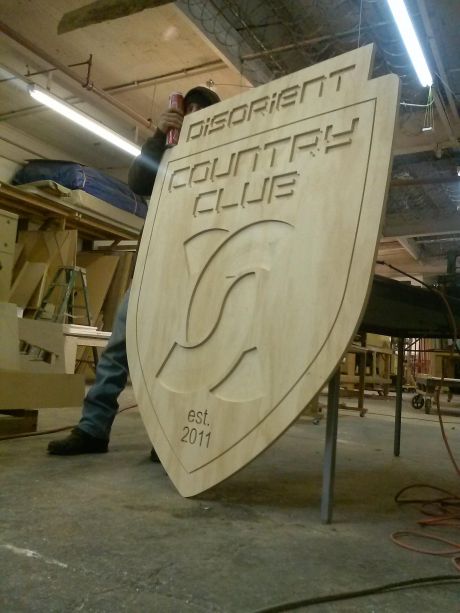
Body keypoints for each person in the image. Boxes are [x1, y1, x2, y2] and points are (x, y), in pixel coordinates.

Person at [47, 86, 220, 457]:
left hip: (195, 273)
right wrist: (159, 135)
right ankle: (92, 430)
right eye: (188, 109)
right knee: (118, 350)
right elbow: (138, 182)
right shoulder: (168, 152)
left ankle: (168, 438)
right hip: (152, 266)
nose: (192, 115)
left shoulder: (223, 157)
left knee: (179, 355)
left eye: (201, 110)